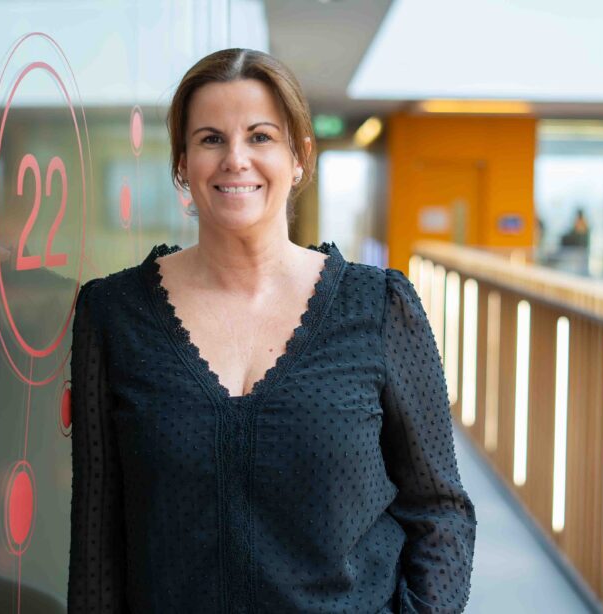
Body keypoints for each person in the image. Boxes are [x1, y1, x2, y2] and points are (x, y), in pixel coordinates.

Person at [67, 48, 476, 613]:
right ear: (182, 162)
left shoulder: (379, 306)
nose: (236, 159)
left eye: (260, 137)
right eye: (210, 139)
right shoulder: (112, 313)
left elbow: (439, 508)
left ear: (299, 156)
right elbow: (97, 535)